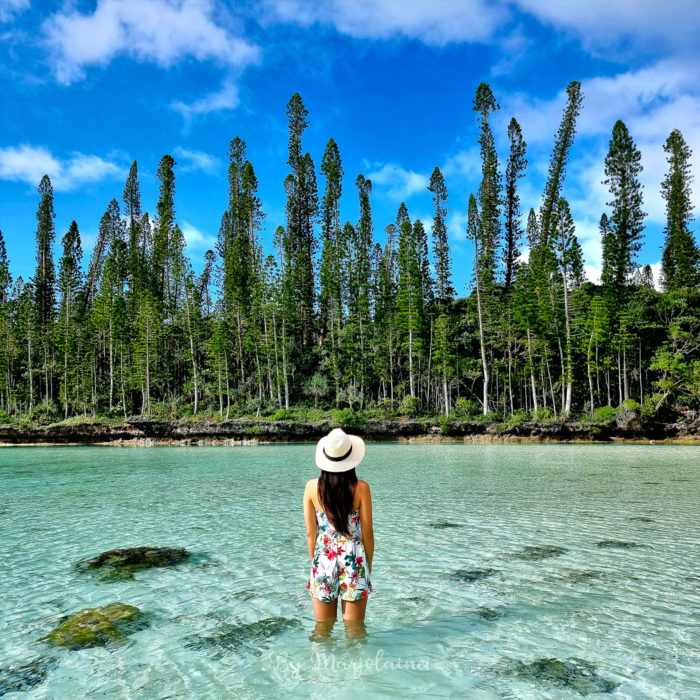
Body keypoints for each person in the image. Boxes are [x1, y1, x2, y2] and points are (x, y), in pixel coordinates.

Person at [303, 427, 374, 629]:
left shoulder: (311, 488)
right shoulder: (361, 488)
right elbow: (368, 535)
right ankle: (358, 661)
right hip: (354, 559)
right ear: (351, 459)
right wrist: (367, 568)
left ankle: (321, 661)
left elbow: (311, 534)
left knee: (322, 629)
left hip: (323, 559)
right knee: (355, 630)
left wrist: (316, 564)